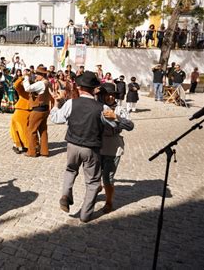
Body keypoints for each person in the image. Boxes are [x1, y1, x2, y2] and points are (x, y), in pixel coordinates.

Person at [50, 71, 116, 222]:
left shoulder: (71, 103)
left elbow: (56, 119)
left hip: (72, 145)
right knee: (92, 181)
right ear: (94, 89)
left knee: (70, 170)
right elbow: (113, 125)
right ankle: (85, 215)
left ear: (79, 88)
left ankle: (66, 194)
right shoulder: (102, 107)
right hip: (91, 148)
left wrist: (55, 104)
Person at [98, 83, 134, 213]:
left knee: (108, 177)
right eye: (108, 94)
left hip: (114, 147)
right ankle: (97, 187)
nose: (111, 97)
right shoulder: (97, 108)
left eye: (113, 94)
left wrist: (116, 117)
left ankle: (109, 202)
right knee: (94, 174)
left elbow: (130, 126)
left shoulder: (120, 109)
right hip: (97, 146)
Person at [22, 66, 51, 158]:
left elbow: (27, 88)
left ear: (42, 75)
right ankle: (44, 151)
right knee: (43, 130)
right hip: (45, 108)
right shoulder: (47, 82)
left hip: (38, 109)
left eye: (37, 74)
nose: (35, 75)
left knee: (31, 130)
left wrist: (26, 78)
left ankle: (32, 151)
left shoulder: (41, 84)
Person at [10, 72, 32, 154]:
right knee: (23, 129)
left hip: (21, 109)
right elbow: (16, 85)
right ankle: (23, 145)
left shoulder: (24, 87)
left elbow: (16, 85)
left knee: (18, 129)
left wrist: (22, 77)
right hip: (28, 109)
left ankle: (19, 146)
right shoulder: (31, 86)